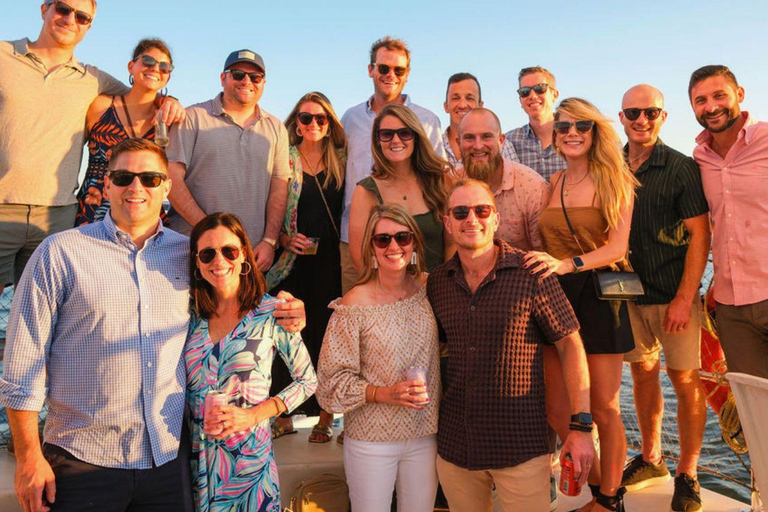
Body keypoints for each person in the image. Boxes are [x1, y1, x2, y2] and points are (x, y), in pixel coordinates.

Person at [0, 138, 307, 512]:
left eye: (149, 178)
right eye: (124, 176)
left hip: (166, 463)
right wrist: (29, 456)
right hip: (83, 460)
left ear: (166, 187)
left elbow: (235, 299)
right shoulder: (60, 253)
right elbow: (22, 364)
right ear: (107, 183)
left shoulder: (192, 254)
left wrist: (286, 308)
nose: (136, 187)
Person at [428, 179, 594, 512]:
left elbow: (570, 344)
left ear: (496, 218)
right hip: (456, 447)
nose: (471, 219)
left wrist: (581, 427)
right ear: (447, 222)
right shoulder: (438, 283)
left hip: (519, 447)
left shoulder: (531, 273)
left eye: (481, 210)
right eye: (460, 212)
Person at [0, 0, 183, 290]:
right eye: (63, 8)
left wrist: (168, 100)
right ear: (44, 9)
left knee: (54, 300)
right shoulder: (97, 99)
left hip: (76, 213)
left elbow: (142, 93)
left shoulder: (97, 82)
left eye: (82, 16)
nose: (71, 18)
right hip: (77, 211)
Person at [524, 97, 638, 512]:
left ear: (595, 133)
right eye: (563, 126)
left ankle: (609, 500)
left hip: (600, 296)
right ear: (554, 135)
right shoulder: (552, 184)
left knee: (605, 407)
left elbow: (618, 246)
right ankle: (599, 487)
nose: (571, 132)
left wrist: (568, 263)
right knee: (559, 410)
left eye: (581, 126)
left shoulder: (615, 179)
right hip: (557, 297)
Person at [185, 212, 318, 512]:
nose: (219, 261)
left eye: (229, 251)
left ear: (244, 253)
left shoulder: (272, 311)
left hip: (249, 465)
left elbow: (308, 380)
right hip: (198, 464)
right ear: (197, 262)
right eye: (207, 254)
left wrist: (256, 415)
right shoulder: (188, 316)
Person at [619, 84, 710, 512]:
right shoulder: (611, 166)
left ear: (663, 117)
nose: (641, 120)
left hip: (675, 296)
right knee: (641, 374)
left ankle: (687, 472)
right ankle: (652, 458)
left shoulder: (680, 168)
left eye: (650, 112)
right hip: (627, 297)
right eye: (633, 113)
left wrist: (684, 297)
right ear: (622, 117)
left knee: (686, 382)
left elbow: (700, 235)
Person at [317, 203, 441, 512]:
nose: (394, 246)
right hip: (371, 439)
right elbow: (330, 383)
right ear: (371, 248)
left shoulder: (429, 288)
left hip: (424, 433)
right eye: (382, 239)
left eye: (403, 237)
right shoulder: (354, 304)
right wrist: (383, 393)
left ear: (414, 243)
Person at [266, 92, 347, 443]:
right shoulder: (285, 158)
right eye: (305, 118)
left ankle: (326, 415)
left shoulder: (342, 161)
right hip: (293, 262)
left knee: (327, 337)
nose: (312, 124)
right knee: (286, 332)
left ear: (330, 124)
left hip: (332, 262)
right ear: (295, 122)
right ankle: (283, 412)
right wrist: (284, 239)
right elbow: (270, 205)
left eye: (320, 118)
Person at [166, 49, 290, 272]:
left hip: (249, 255)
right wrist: (209, 232)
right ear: (223, 78)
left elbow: (279, 191)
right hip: (194, 251)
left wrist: (270, 241)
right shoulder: (192, 117)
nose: (246, 81)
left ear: (263, 83)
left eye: (255, 77)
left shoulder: (276, 128)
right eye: (238, 74)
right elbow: (171, 180)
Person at [339, 36, 445, 293]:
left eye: (399, 70)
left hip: (416, 237)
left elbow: (437, 173)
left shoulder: (428, 120)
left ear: (407, 74)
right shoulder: (350, 119)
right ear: (371, 70)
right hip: (355, 237)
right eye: (383, 68)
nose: (390, 75)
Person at [689, 65, 768, 379]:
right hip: (731, 308)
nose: (711, 107)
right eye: (700, 100)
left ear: (739, 94)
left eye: (719, 95)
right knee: (755, 412)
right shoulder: (699, 158)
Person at [75, 37, 176, 226]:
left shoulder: (168, 120)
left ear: (168, 76)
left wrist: (169, 100)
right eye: (147, 61)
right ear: (131, 66)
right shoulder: (101, 106)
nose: (155, 69)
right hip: (94, 209)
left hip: (145, 212)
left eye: (164, 67)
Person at [348, 104, 450, 273]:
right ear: (378, 141)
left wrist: (446, 286)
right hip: (390, 295)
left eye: (404, 133)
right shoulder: (366, 192)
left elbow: (452, 244)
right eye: (387, 134)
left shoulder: (440, 181)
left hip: (438, 290)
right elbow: (360, 260)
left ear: (415, 137)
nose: (396, 140)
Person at [454, 108, 549, 251]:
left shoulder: (532, 188)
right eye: (469, 137)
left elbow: (544, 255)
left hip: (521, 272)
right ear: (458, 142)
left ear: (501, 140)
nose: (478, 146)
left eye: (486, 137)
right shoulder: (450, 184)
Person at [442, 73, 519, 166]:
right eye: (455, 98)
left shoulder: (502, 146)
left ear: (480, 106)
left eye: (469, 98)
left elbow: (515, 178)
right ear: (446, 106)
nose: (462, 105)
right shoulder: (431, 146)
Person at [505, 66, 567, 182]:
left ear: (554, 94)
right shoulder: (509, 141)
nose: (532, 96)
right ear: (520, 101)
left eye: (540, 88)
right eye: (525, 92)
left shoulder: (573, 136)